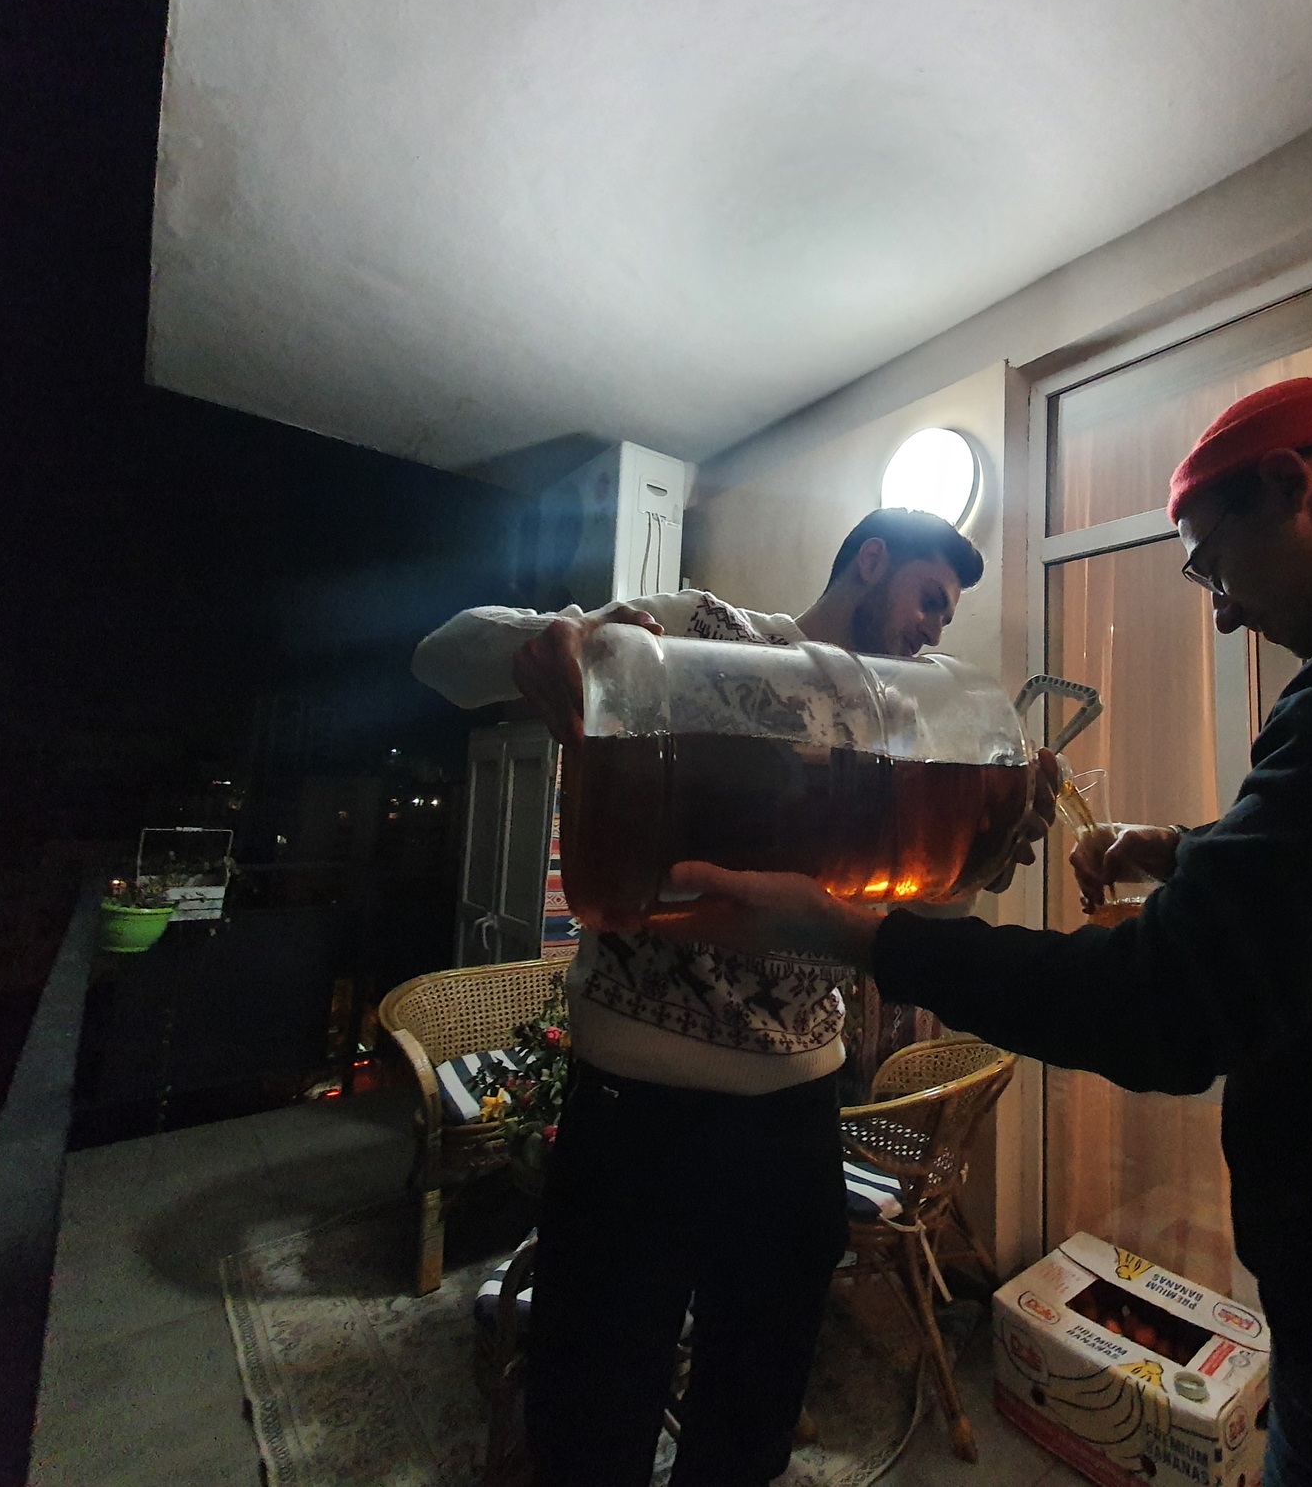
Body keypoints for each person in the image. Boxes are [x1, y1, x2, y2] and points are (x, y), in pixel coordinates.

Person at [648, 378, 1312, 1487]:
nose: (1220, 612)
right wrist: (1190, 851)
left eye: (1212, 567)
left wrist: (859, 934)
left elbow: (1162, 1004)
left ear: (1291, 485)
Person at [412, 506, 1039, 1487]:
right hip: (635, 1116)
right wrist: (553, 643)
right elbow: (441, 658)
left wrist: (989, 852)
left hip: (796, 1122)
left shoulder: (899, 716)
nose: (932, 628)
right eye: (929, 599)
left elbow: (924, 903)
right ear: (871, 561)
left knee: (751, 1423)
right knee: (588, 1420)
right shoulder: (705, 635)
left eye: (945, 617)